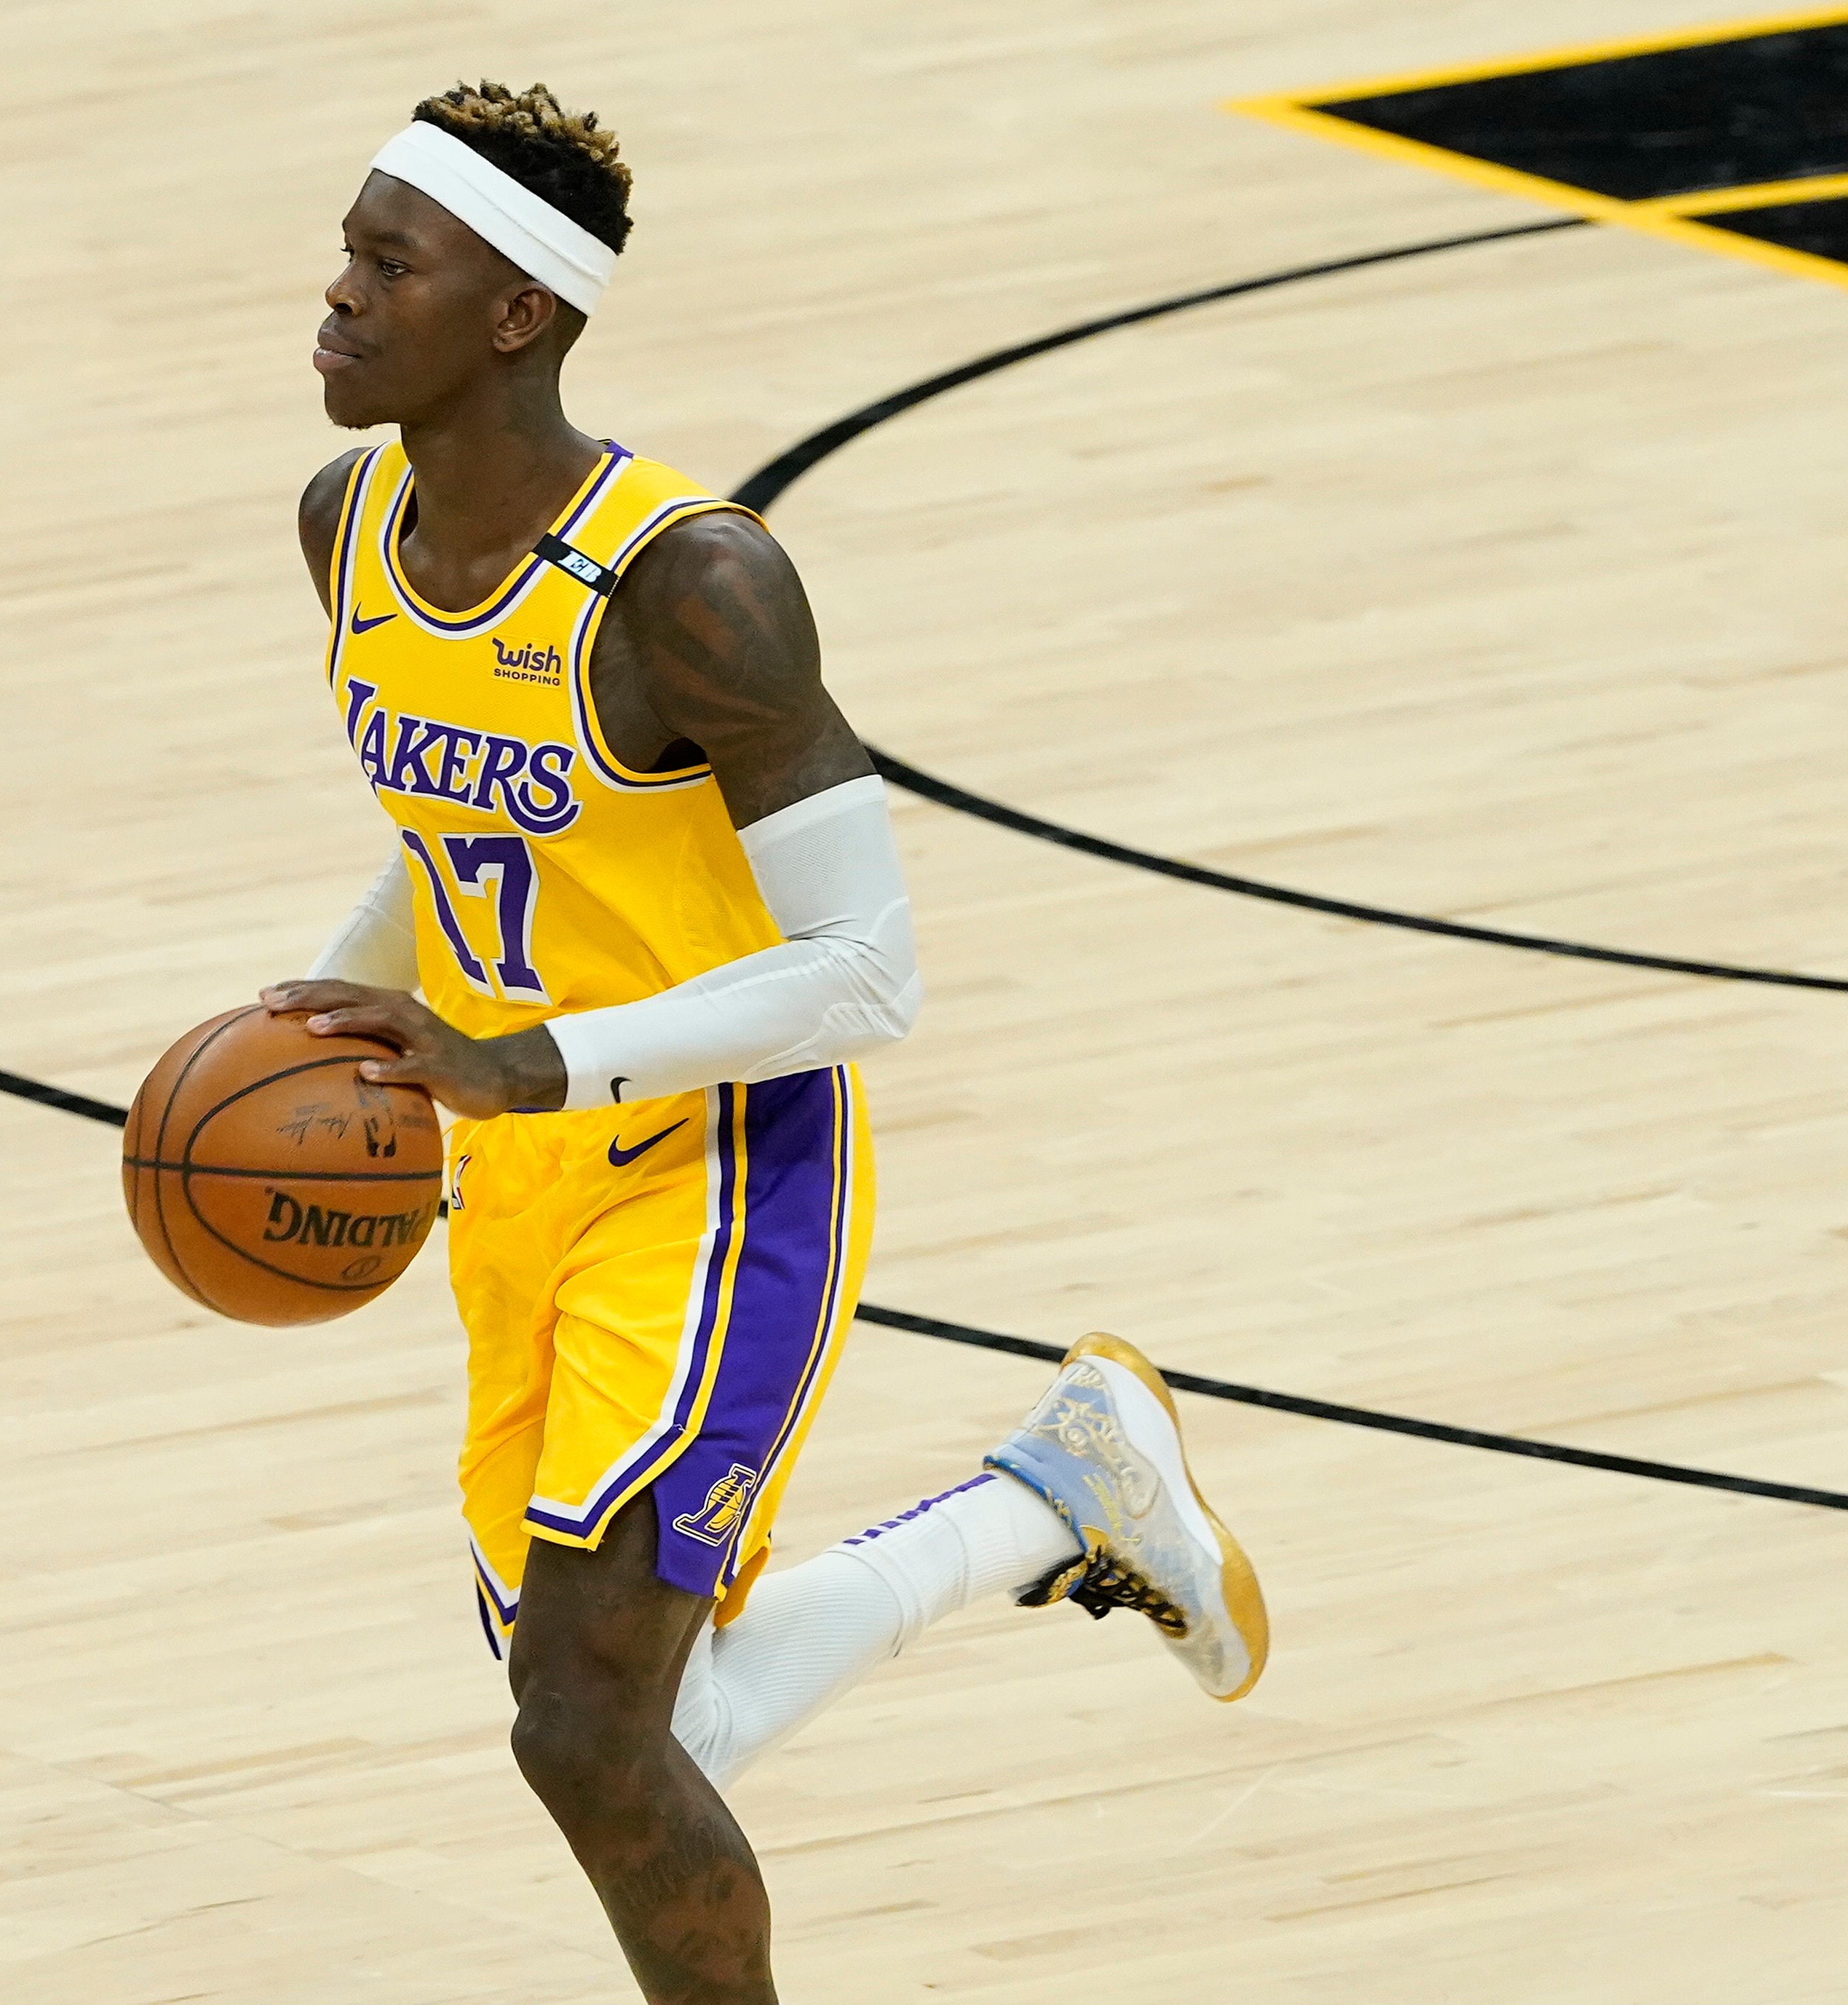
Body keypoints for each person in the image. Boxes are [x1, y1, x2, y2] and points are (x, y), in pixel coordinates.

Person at [261, 81, 1267, 2004]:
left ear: (517, 315)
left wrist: (525, 1060)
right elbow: (465, 825)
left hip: (717, 1179)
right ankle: (1055, 1495)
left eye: (392, 266)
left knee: (586, 1729)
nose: (339, 296)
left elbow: (868, 974)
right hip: (518, 1178)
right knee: (644, 1730)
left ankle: (1059, 1491)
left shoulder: (690, 589)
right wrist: (305, 1013)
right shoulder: (351, 528)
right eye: (348, 254)